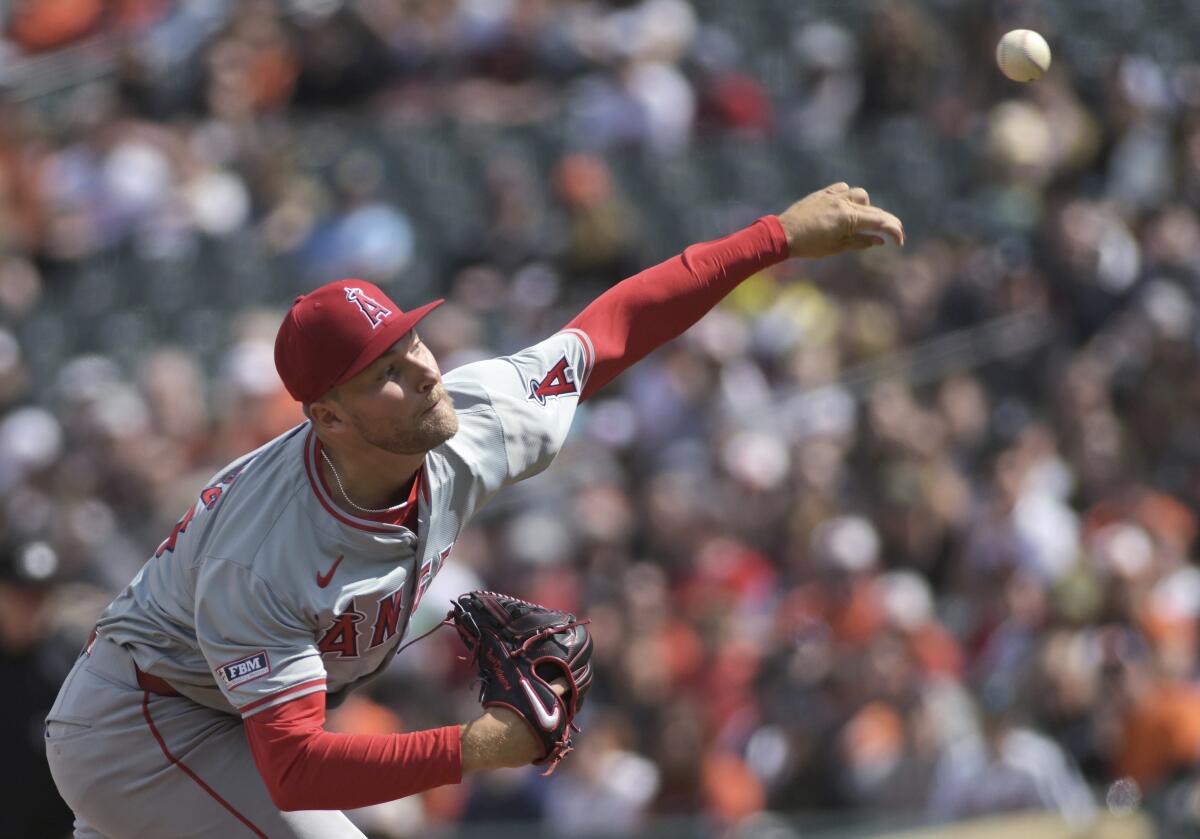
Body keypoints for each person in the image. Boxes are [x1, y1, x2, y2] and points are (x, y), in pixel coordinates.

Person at [44, 183, 903, 838]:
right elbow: (296, 770)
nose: (422, 366)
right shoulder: (265, 550)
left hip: (213, 717)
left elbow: (611, 329)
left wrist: (776, 237)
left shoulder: (471, 415)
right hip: (146, 721)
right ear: (330, 416)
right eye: (386, 366)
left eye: (411, 336)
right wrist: (480, 747)